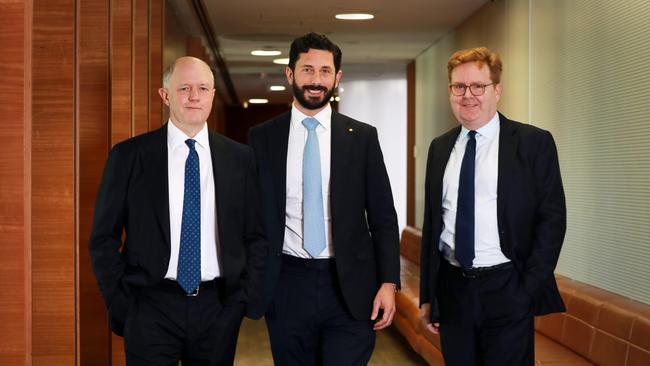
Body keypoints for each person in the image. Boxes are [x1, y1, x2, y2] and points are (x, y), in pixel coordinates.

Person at [89, 56, 268, 365]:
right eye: (184, 88)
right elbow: (103, 238)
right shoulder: (129, 156)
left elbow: (256, 235)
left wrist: (242, 298)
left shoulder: (240, 158)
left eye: (202, 88)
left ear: (213, 94)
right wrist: (121, 303)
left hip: (218, 307)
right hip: (149, 305)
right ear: (165, 95)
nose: (194, 96)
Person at [247, 32, 400, 365]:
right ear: (290, 74)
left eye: (325, 71)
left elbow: (383, 217)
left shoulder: (361, 137)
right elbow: (250, 216)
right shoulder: (262, 139)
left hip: (350, 287)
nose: (316, 80)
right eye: (307, 70)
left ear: (337, 77)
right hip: (287, 283)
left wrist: (388, 281)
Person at [419, 47, 566, 365]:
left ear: (496, 90)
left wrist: (526, 289)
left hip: (508, 287)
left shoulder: (532, 143)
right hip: (453, 289)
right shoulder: (440, 148)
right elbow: (433, 224)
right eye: (459, 86)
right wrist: (429, 296)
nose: (467, 95)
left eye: (478, 86)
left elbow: (552, 219)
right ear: (450, 91)